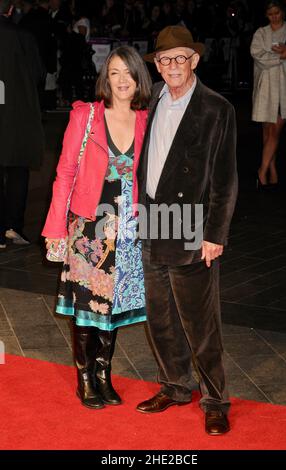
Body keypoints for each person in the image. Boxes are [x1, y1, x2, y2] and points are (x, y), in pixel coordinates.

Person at [135, 26, 238, 436]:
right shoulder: (152, 100)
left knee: (201, 323)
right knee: (160, 319)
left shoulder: (216, 109)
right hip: (152, 224)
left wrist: (215, 234)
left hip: (191, 229)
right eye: (164, 59)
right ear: (156, 66)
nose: (172, 66)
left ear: (195, 60)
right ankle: (175, 386)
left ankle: (215, 400)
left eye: (180, 58)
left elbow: (225, 180)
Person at [42, 46, 151, 409]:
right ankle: (85, 378)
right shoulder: (86, 116)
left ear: (139, 80)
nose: (122, 80)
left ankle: (104, 373)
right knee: (88, 304)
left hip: (128, 227)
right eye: (115, 72)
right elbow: (65, 173)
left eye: (129, 73)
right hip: (89, 226)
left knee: (114, 303)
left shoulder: (145, 120)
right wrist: (55, 228)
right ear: (106, 77)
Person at [0, 0, 45, 249]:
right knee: (17, 172)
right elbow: (38, 73)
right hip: (17, 116)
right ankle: (12, 226)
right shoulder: (24, 37)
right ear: (10, 10)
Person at [250, 0, 286, 188]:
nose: (274, 17)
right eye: (270, 14)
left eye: (277, 13)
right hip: (267, 87)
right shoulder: (261, 33)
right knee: (268, 129)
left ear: (283, 12)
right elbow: (258, 56)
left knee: (277, 129)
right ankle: (272, 169)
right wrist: (280, 56)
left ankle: (261, 170)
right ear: (266, 15)